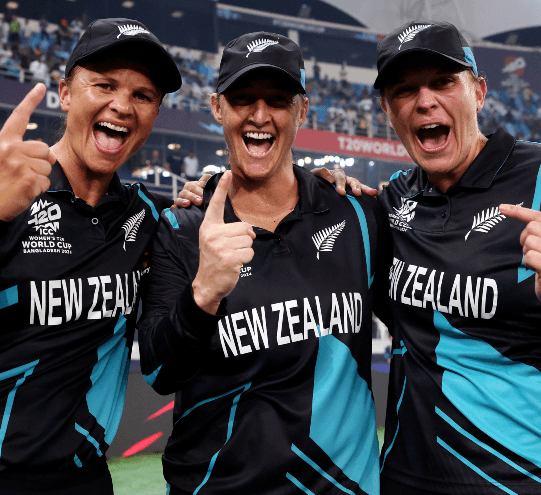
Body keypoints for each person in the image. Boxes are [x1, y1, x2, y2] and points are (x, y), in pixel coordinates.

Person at [0, 18, 184, 495]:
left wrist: (326, 189)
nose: (122, 106)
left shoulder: (145, 215)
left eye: (143, 96)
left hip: (76, 481)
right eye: (104, 85)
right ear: (65, 93)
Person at [373, 21, 541, 495]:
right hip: (409, 479)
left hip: (533, 478)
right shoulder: (391, 202)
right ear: (390, 112)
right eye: (403, 90)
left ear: (479, 92)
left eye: (444, 82)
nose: (424, 100)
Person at [137, 32, 387, 495]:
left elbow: (428, 314)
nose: (258, 115)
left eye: (277, 100)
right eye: (242, 98)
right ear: (216, 107)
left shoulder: (356, 213)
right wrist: (204, 294)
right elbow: (156, 372)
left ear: (302, 111)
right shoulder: (181, 227)